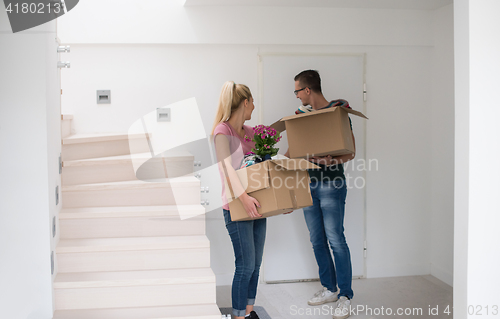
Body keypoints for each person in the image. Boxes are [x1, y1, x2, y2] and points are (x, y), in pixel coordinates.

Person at [285, 70, 355, 319]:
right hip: (308, 185)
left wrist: (329, 159)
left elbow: (351, 153)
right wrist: (270, 165)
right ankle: (329, 289)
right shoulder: (301, 118)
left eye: (297, 91)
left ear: (307, 90)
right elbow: (292, 152)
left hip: (332, 184)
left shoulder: (338, 114)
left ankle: (345, 295)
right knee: (317, 240)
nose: (296, 96)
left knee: (336, 239)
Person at [211, 81, 264, 319]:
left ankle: (249, 311)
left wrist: (281, 202)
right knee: (245, 266)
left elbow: (261, 170)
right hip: (235, 206)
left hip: (257, 205)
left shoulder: (252, 133)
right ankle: (238, 316)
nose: (254, 106)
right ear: (245, 102)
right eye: (252, 101)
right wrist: (243, 198)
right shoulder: (222, 131)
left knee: (256, 265)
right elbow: (226, 170)